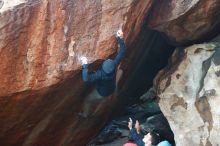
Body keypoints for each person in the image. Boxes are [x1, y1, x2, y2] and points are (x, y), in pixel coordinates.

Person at [78, 29, 126, 117]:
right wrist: (120, 38)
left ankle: (85, 114)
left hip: (102, 93)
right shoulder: (114, 64)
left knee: (88, 100)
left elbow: (86, 79)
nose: (107, 59)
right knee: (120, 71)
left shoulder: (100, 74)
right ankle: (113, 93)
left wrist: (85, 65)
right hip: (111, 87)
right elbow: (122, 51)